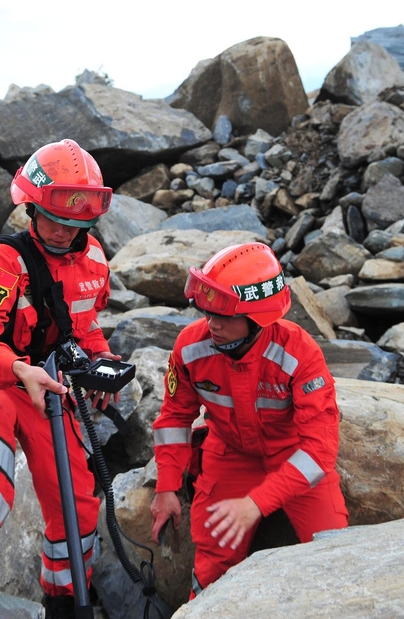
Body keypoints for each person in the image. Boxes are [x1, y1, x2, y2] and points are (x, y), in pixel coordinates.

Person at [0, 139, 119, 618]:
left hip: (51, 386)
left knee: (76, 502)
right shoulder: (5, 260)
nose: (61, 231)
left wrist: (102, 363)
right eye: (53, 219)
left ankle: (63, 603)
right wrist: (17, 369)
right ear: (30, 209)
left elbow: (85, 323)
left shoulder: (94, 259)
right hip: (0, 378)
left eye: (75, 224)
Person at [150, 242, 349, 598]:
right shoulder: (190, 346)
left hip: (293, 460)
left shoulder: (300, 355)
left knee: (336, 554)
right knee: (212, 568)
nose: (211, 325)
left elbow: (319, 453)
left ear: (258, 318)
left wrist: (256, 504)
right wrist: (165, 488)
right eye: (208, 312)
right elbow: (174, 418)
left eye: (224, 316)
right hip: (229, 456)